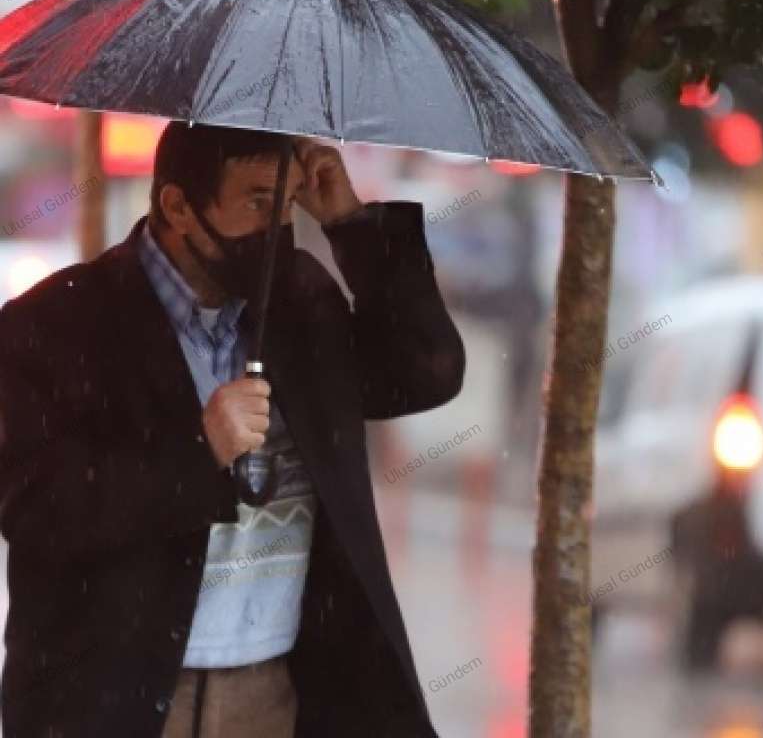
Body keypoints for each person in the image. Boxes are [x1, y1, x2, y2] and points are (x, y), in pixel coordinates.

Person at [0, 123, 465, 736]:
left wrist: (349, 222)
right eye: (255, 201)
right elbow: (34, 508)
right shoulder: (55, 325)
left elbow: (426, 370)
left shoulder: (302, 301)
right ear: (178, 207)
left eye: (288, 199)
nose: (277, 227)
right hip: (115, 698)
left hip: (274, 692)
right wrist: (199, 453)